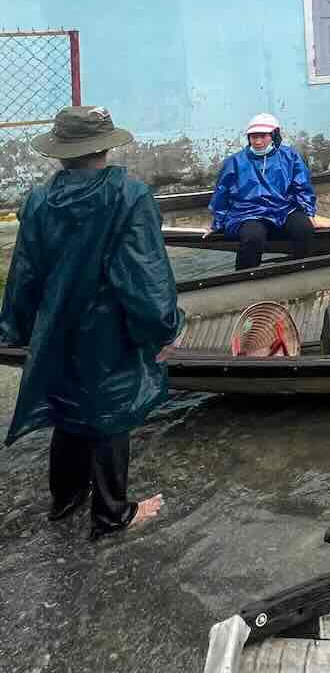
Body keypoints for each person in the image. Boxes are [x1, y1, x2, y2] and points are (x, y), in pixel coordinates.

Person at [2, 106, 181, 541]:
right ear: (104, 145)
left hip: (58, 323)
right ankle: (112, 513)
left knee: (68, 405)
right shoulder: (128, 194)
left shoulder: (40, 199)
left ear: (60, 153)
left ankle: (65, 500)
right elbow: (145, 272)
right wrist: (163, 327)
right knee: (110, 414)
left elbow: (25, 272)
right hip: (108, 327)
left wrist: (17, 328)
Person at [209, 114, 318, 270]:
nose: (258, 141)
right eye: (253, 137)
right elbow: (222, 193)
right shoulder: (235, 162)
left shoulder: (290, 156)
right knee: (252, 238)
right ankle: (244, 278)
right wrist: (217, 223)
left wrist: (308, 212)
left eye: (262, 136)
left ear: (274, 135)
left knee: (304, 230)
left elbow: (302, 185)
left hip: (284, 209)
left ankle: (302, 271)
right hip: (248, 212)